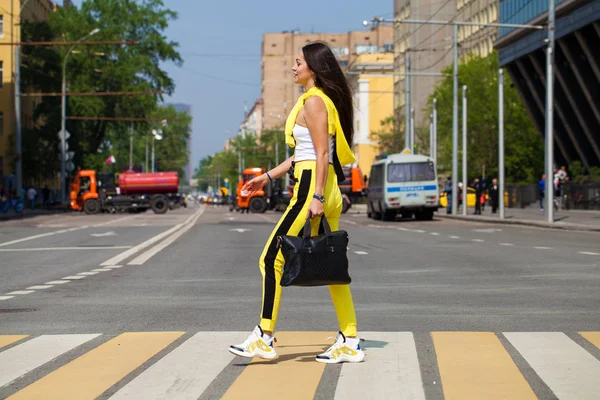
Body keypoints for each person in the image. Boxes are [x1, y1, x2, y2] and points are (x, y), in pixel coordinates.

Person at [228, 42, 364, 364]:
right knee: (332, 266)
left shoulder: (315, 101)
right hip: (322, 184)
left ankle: (264, 336)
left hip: (312, 188)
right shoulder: (317, 101)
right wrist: (267, 177)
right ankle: (350, 339)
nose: (293, 67)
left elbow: (320, 153)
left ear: (313, 69)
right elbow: (302, 154)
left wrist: (315, 196)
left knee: (270, 259)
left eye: (299, 62)